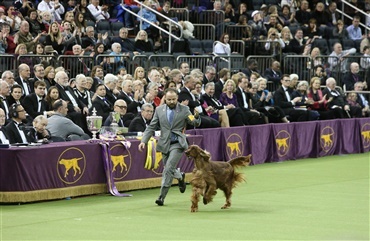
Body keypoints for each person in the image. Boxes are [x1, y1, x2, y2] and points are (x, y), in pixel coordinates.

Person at [138, 88, 201, 206]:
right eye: (169, 99)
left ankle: (161, 197)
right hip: (164, 143)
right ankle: (180, 176)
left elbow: (194, 123)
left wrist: (196, 116)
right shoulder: (159, 110)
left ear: (177, 98)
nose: (171, 101)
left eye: (174, 99)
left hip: (178, 143)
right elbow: (151, 126)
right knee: (169, 168)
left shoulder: (185, 109)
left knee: (168, 169)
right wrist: (144, 140)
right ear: (165, 99)